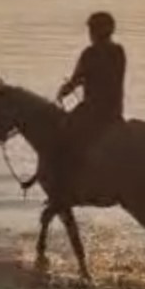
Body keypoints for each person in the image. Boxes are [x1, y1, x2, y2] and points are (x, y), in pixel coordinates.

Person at [53, 11, 127, 193]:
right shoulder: (119, 51)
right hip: (115, 111)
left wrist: (64, 91)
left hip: (93, 111)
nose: (89, 33)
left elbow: (76, 79)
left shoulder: (90, 53)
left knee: (62, 133)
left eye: (91, 30)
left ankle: (67, 183)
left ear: (95, 31)